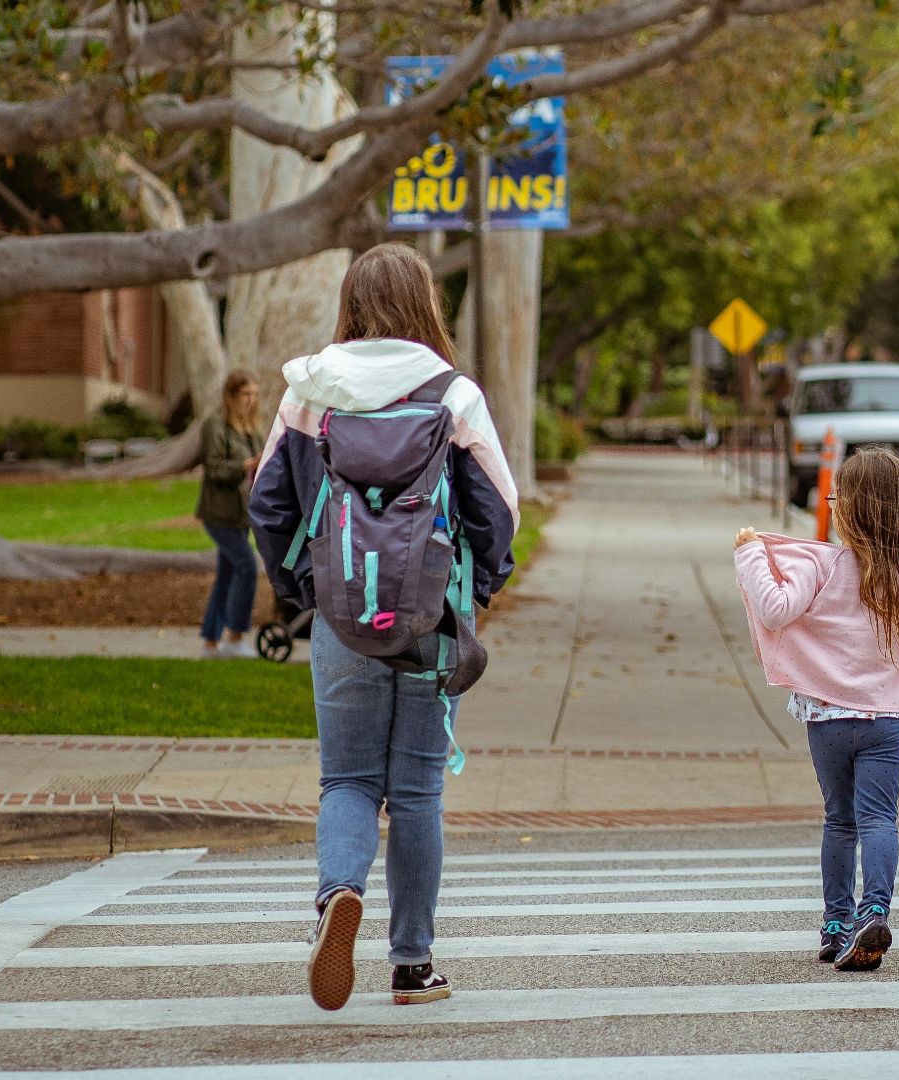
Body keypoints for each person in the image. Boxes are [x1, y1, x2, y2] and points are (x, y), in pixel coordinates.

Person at [250, 243, 517, 1011]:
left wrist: (306, 586)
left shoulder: (310, 389)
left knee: (348, 779)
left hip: (340, 615)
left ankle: (338, 895)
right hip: (431, 617)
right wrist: (478, 589)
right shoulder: (452, 395)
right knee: (417, 791)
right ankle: (411, 964)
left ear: (352, 302)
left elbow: (268, 504)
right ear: (424, 302)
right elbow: (498, 510)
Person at [733, 448, 899, 972]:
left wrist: (751, 551)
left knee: (838, 821)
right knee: (879, 819)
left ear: (846, 510)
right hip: (885, 723)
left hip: (826, 720)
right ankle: (875, 910)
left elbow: (774, 607)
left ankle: (835, 924)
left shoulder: (822, 565)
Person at [197, 371, 263, 659]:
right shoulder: (215, 425)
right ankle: (235, 637)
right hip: (219, 514)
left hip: (241, 514)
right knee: (247, 567)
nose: (251, 400)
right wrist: (246, 464)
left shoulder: (251, 429)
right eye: (245, 395)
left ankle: (211, 644)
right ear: (231, 396)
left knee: (226, 574)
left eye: (254, 394)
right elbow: (213, 467)